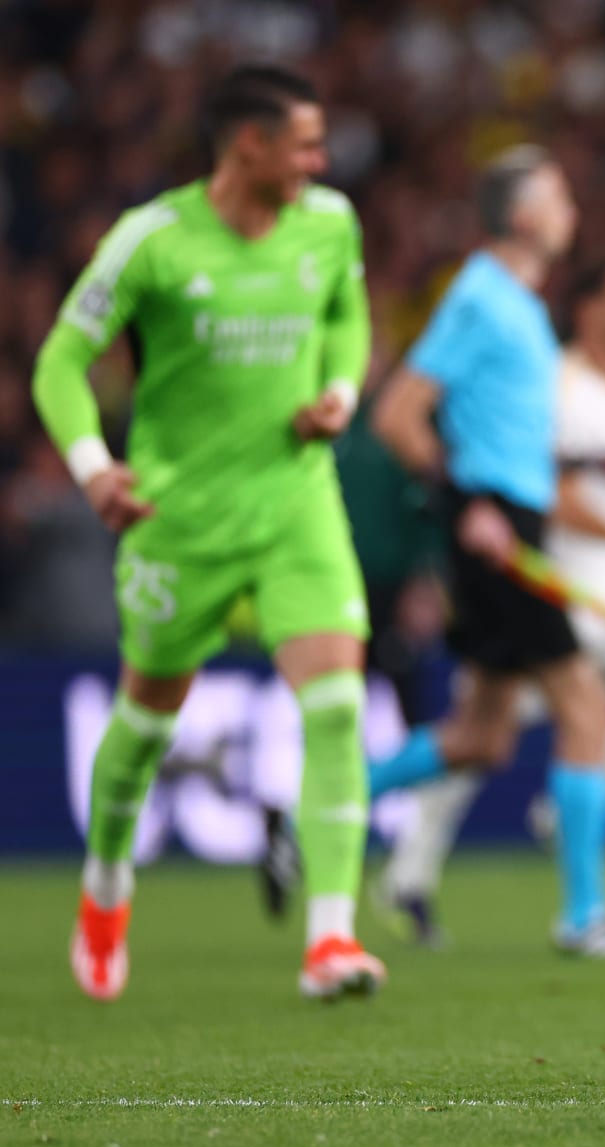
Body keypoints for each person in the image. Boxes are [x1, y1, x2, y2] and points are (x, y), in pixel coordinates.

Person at [33, 64, 383, 1001]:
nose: (321, 158)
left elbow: (348, 317)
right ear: (248, 147)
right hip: (177, 517)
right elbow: (62, 360)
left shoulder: (329, 221)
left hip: (296, 502)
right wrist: (92, 466)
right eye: (305, 142)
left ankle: (331, 939)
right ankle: (106, 887)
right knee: (145, 722)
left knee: (340, 706)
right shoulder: (151, 239)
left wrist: (341, 393)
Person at [379, 258, 605, 947]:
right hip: (548, 577)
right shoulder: (548, 381)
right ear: (589, 309)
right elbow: (551, 496)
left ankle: (574, 805)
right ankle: (408, 870)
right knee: (480, 736)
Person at [366, 146, 605, 954]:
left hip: (509, 519)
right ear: (521, 217)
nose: (571, 209)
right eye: (557, 195)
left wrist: (575, 466)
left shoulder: (513, 302)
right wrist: (467, 505)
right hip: (494, 533)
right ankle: (584, 916)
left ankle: (318, 804)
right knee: (588, 708)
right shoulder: (482, 295)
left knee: (482, 736)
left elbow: (498, 432)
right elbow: (399, 415)